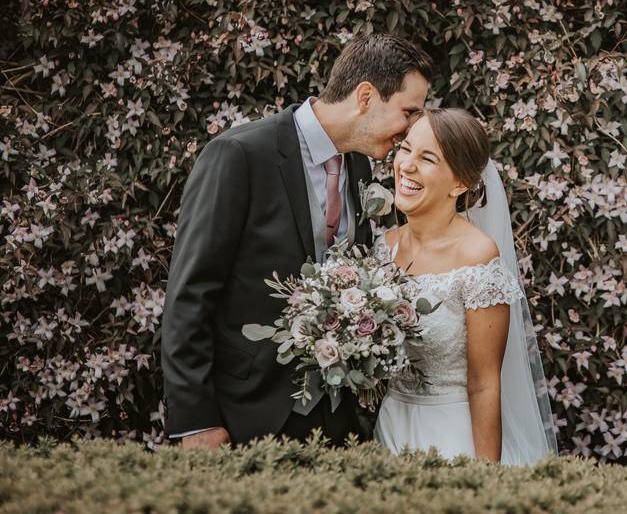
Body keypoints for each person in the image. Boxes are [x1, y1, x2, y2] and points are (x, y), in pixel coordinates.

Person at [161, 35, 433, 449]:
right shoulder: (238, 155)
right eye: (408, 112)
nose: (412, 129)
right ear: (365, 97)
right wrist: (196, 420)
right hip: (243, 413)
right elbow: (190, 294)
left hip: (335, 420)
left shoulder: (359, 165)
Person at [372, 108, 558, 464]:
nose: (406, 165)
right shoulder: (385, 247)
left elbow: (484, 382)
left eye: (427, 158)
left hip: (451, 436)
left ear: (459, 183)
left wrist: (485, 475)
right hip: (388, 429)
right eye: (406, 149)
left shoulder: (477, 257)